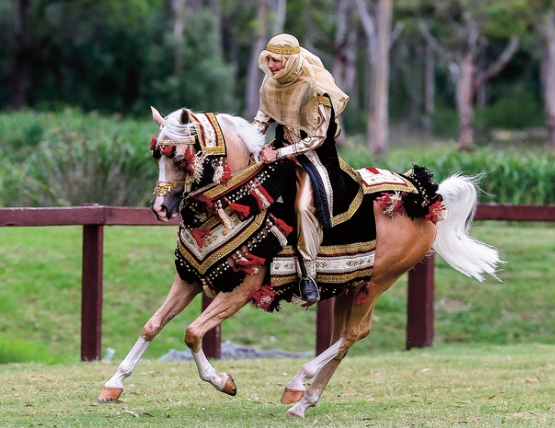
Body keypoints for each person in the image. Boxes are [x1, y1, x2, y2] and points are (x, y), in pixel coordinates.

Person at [253, 34, 350, 303]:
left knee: (302, 207)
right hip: (279, 154)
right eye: (268, 59)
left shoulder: (317, 89)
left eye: (276, 61)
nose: (270, 66)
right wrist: (248, 144)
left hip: (315, 159)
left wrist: (278, 153)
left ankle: (308, 275)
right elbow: (261, 120)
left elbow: (317, 139)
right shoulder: (271, 83)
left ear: (290, 60)